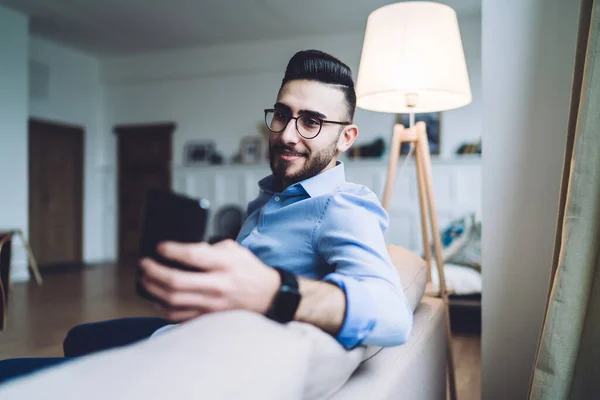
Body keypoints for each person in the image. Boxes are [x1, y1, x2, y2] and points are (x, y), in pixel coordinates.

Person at [0, 49, 413, 385]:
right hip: (191, 331)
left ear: (346, 137)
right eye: (283, 115)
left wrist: (276, 291)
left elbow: (392, 315)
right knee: (78, 337)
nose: (287, 133)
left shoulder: (343, 205)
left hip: (196, 360)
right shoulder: (276, 195)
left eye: (311, 122)